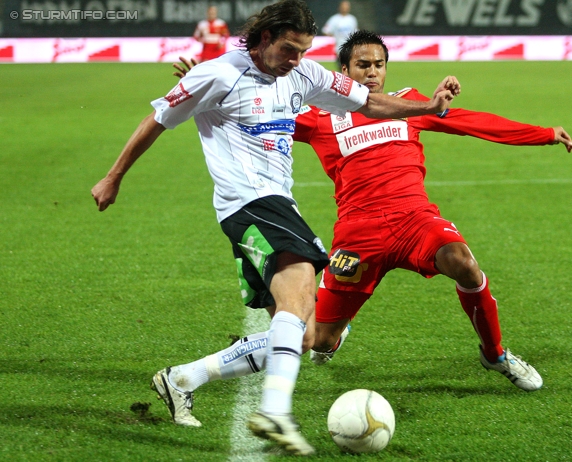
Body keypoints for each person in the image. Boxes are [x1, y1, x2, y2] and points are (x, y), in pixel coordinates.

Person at [91, 0, 459, 455]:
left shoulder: (304, 75)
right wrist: (114, 176)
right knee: (304, 283)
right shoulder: (218, 74)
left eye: (303, 50)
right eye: (288, 49)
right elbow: (157, 120)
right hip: (247, 203)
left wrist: (430, 106)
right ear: (264, 39)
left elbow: (371, 102)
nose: (296, 60)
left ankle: (185, 377)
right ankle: (275, 412)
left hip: (276, 204)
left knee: (304, 334)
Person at [172, 30, 572, 392]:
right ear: (344, 70)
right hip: (358, 237)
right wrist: (207, 88)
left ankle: (495, 354)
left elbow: (473, 123)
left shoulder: (407, 105)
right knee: (320, 339)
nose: (372, 72)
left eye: (379, 65)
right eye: (363, 65)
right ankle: (336, 335)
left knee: (464, 263)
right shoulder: (317, 117)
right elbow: (252, 114)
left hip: (416, 221)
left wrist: (542, 135)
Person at [322, 1, 358, 70]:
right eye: (343, 6)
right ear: (340, 7)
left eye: (346, 6)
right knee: (341, 67)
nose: (345, 8)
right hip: (339, 48)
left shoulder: (352, 19)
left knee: (351, 67)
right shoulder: (334, 19)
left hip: (350, 48)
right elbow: (326, 31)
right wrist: (334, 35)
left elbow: (355, 32)